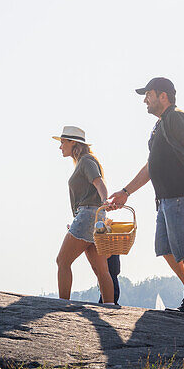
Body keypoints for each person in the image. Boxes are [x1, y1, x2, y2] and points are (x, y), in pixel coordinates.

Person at [107, 78, 184, 314]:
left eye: (148, 94)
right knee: (165, 248)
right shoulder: (160, 125)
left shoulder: (176, 117)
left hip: (181, 196)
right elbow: (151, 166)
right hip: (165, 200)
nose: (145, 99)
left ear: (163, 96)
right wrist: (126, 192)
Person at [53, 126, 116, 304]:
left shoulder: (86, 161)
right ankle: (110, 307)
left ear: (73, 143)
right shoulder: (85, 161)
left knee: (62, 261)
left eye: (63, 142)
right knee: (101, 269)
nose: (60, 147)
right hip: (95, 218)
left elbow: (99, 183)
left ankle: (62, 304)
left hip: (88, 215)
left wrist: (105, 201)